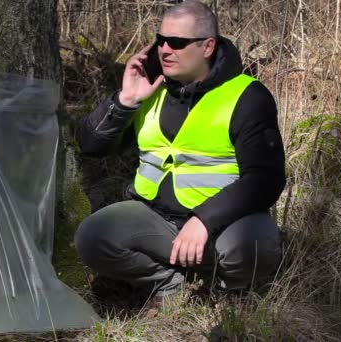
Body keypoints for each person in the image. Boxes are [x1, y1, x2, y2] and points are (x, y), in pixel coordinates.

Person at [74, 0, 285, 303]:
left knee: (255, 243)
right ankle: (168, 284)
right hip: (156, 220)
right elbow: (90, 146)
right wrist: (125, 100)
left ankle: (228, 293)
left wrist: (204, 220)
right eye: (160, 40)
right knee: (92, 237)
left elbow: (266, 179)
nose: (164, 50)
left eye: (177, 42)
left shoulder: (247, 96)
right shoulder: (150, 86)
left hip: (222, 227)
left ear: (208, 46)